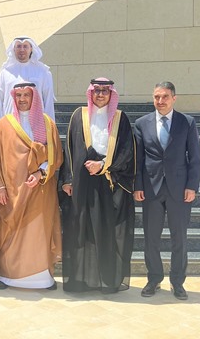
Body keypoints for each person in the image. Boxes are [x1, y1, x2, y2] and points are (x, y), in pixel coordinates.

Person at [59, 78, 135, 294]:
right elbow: (69, 149)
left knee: (106, 230)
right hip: (82, 182)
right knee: (81, 230)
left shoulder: (120, 118)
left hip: (109, 182)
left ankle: (106, 281)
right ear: (90, 93)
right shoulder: (79, 115)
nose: (100, 94)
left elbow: (127, 151)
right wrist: (67, 179)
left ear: (112, 94)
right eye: (97, 90)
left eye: (105, 91)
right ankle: (80, 281)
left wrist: (103, 165)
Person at [0, 82, 63, 290]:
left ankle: (41, 278)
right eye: (18, 95)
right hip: (12, 191)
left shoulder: (47, 124)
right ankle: (8, 276)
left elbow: (56, 155)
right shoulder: (4, 125)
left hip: (40, 189)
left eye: (26, 95)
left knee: (38, 231)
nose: (22, 99)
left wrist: (41, 172)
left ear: (34, 98)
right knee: (12, 232)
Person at [134, 82, 200, 300]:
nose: (160, 101)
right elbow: (138, 158)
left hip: (179, 189)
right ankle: (154, 279)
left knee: (179, 238)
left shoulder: (186, 122)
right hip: (150, 189)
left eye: (165, 97)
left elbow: (195, 157)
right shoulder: (142, 123)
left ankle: (177, 282)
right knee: (151, 238)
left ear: (174, 98)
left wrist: (192, 186)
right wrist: (138, 186)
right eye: (156, 97)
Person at [0, 37, 55, 127]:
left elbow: (48, 102)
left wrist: (50, 128)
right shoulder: (5, 72)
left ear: (31, 48)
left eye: (25, 46)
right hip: (11, 125)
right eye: (18, 46)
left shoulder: (43, 72)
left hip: (36, 126)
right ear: (14, 49)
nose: (22, 50)